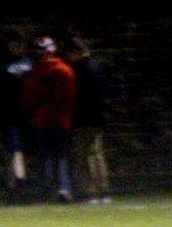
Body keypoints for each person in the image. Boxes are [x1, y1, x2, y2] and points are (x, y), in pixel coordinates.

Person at [21, 36, 76, 202]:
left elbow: (28, 98)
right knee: (61, 156)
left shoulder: (36, 72)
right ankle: (63, 189)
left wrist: (33, 114)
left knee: (46, 157)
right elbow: (71, 98)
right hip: (62, 120)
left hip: (43, 120)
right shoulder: (65, 70)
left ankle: (46, 190)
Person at [0, 28, 31, 198]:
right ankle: (19, 183)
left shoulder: (27, 61)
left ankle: (13, 185)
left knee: (19, 150)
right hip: (8, 114)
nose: (19, 48)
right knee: (14, 149)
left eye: (21, 45)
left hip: (27, 114)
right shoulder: (0, 62)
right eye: (16, 44)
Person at [67, 37, 111, 203]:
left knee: (87, 155)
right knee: (95, 154)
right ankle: (102, 192)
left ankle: (92, 192)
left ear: (76, 52)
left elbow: (82, 97)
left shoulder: (83, 69)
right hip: (95, 118)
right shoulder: (95, 66)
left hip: (86, 119)